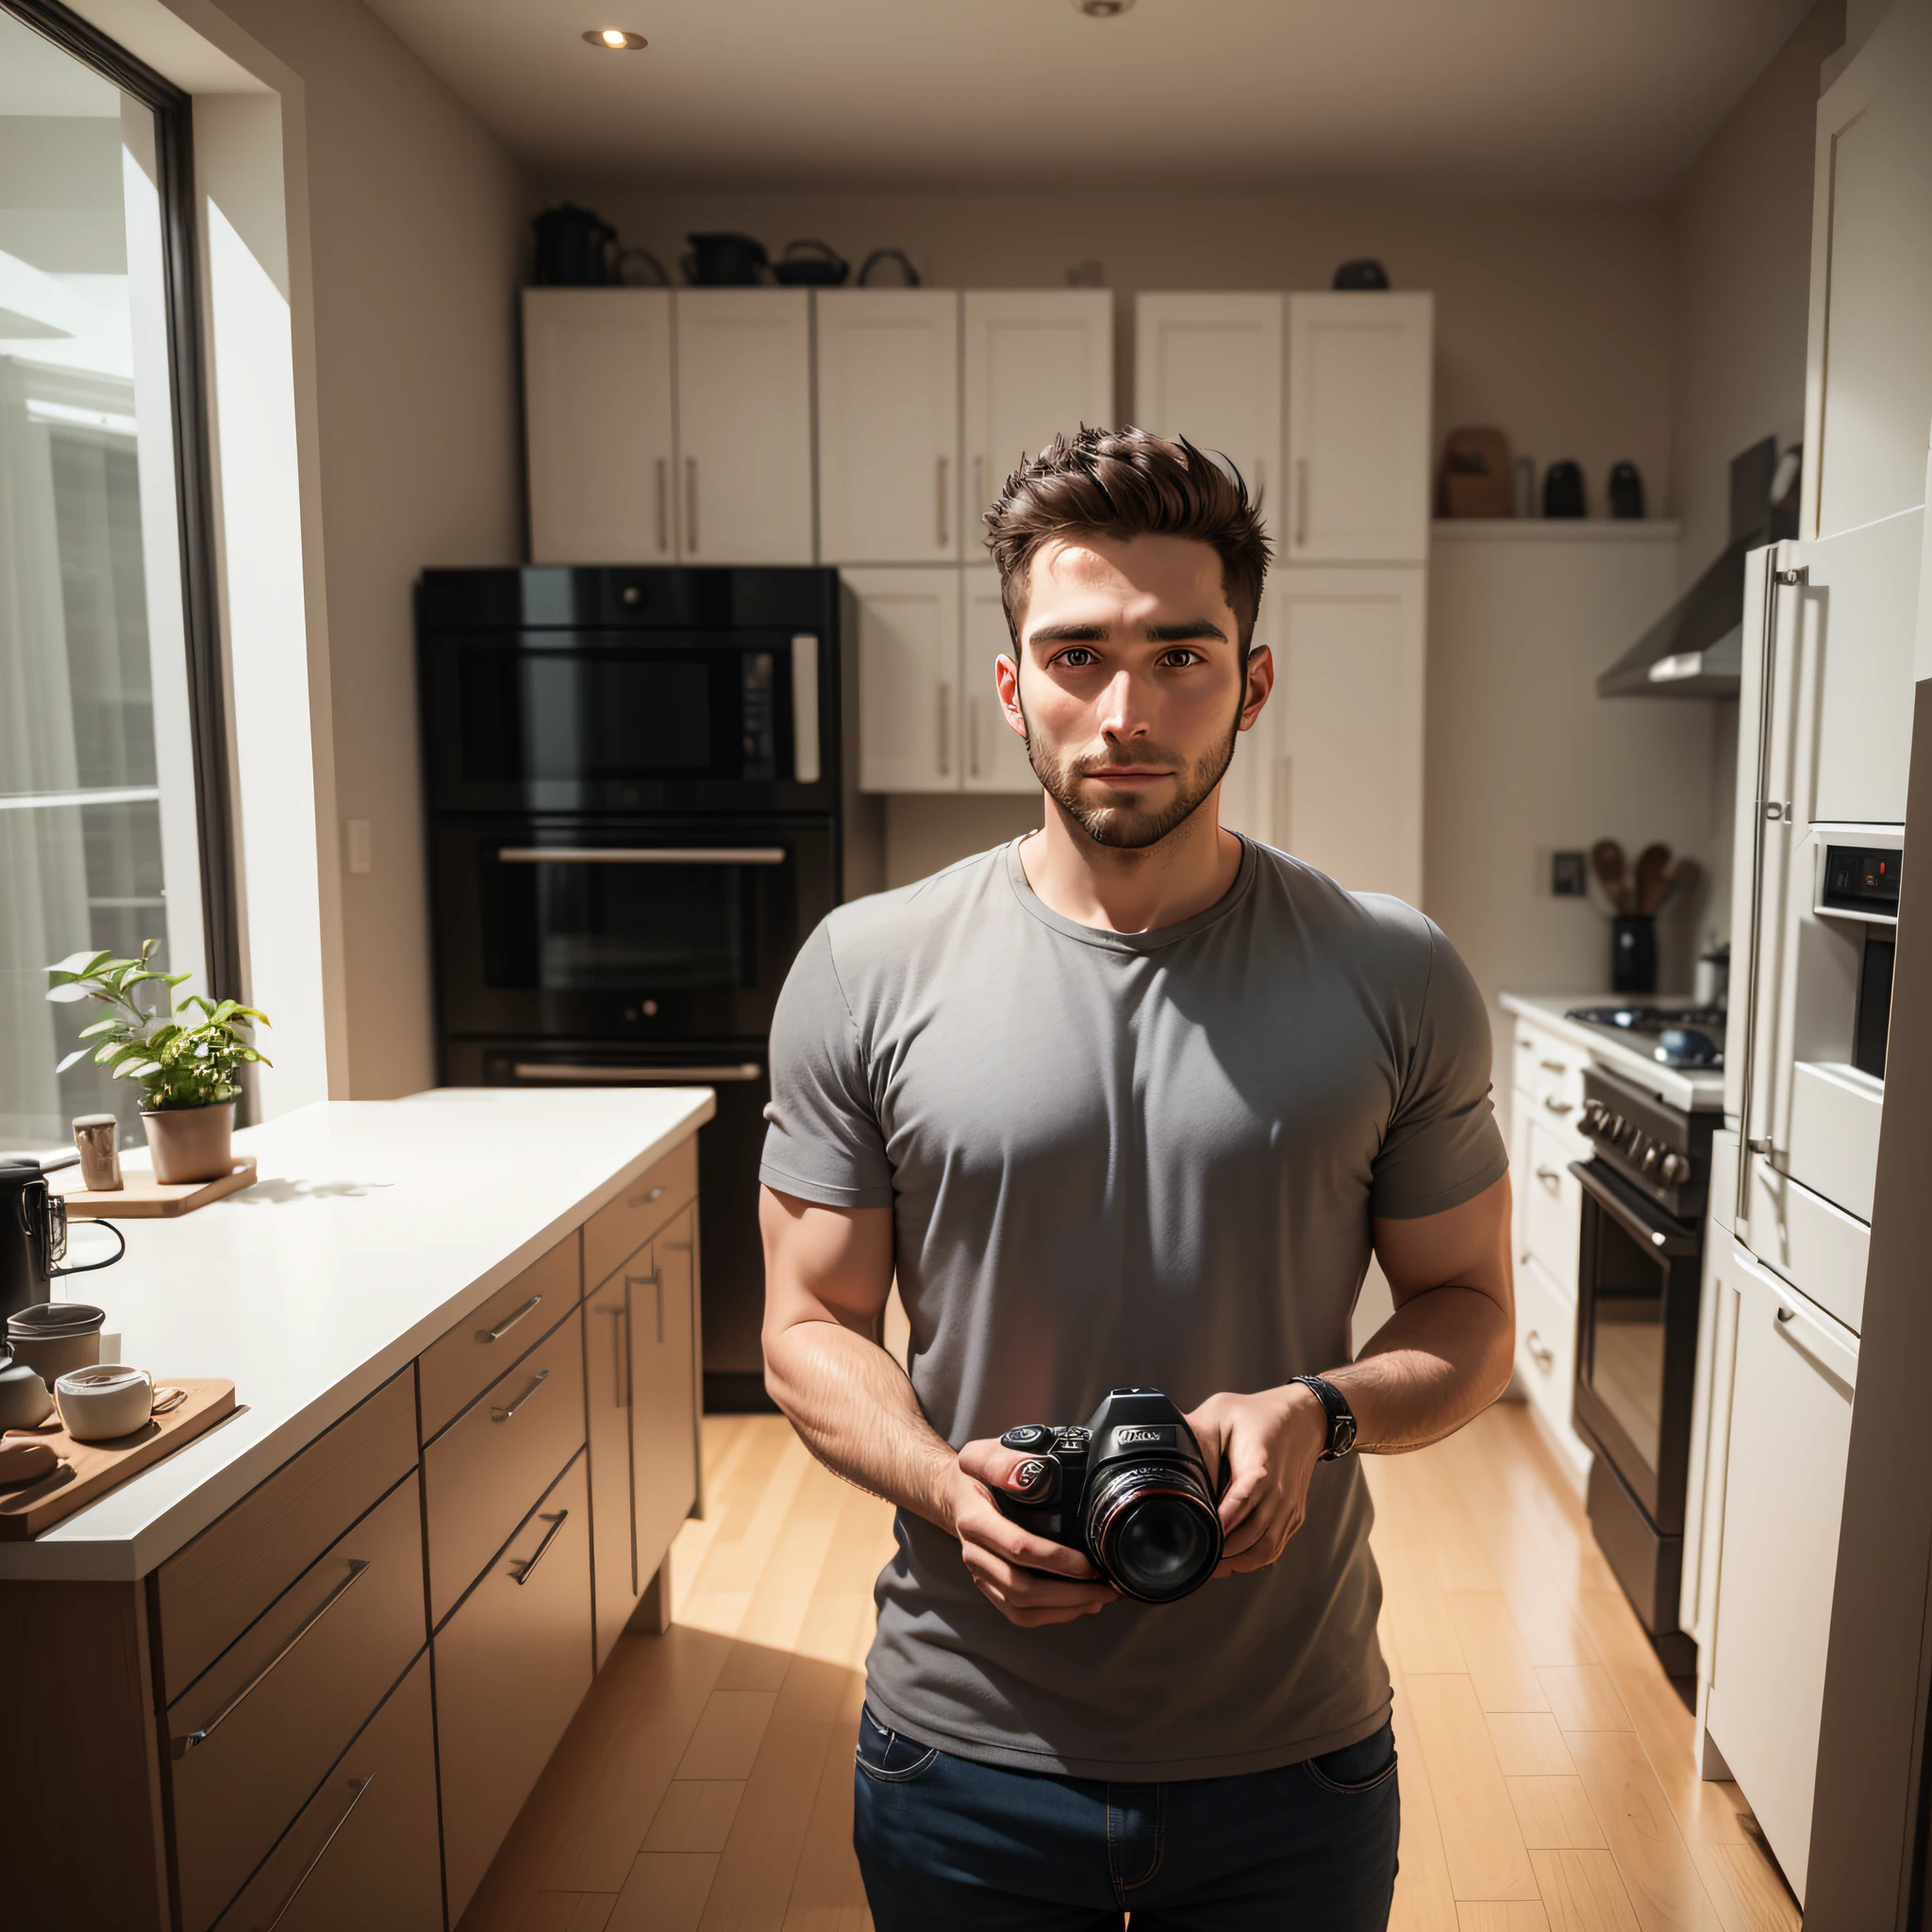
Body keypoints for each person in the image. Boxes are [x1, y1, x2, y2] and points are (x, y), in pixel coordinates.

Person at [758, 426, 1514, 1930]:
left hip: (1293, 1755)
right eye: (1076, 655)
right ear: (1008, 685)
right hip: (961, 1746)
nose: (1124, 709)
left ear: (1254, 679)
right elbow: (803, 1327)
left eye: (1181, 655)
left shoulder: (1392, 972)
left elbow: (1470, 1309)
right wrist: (943, 1488)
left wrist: (1323, 1412)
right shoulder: (864, 969)